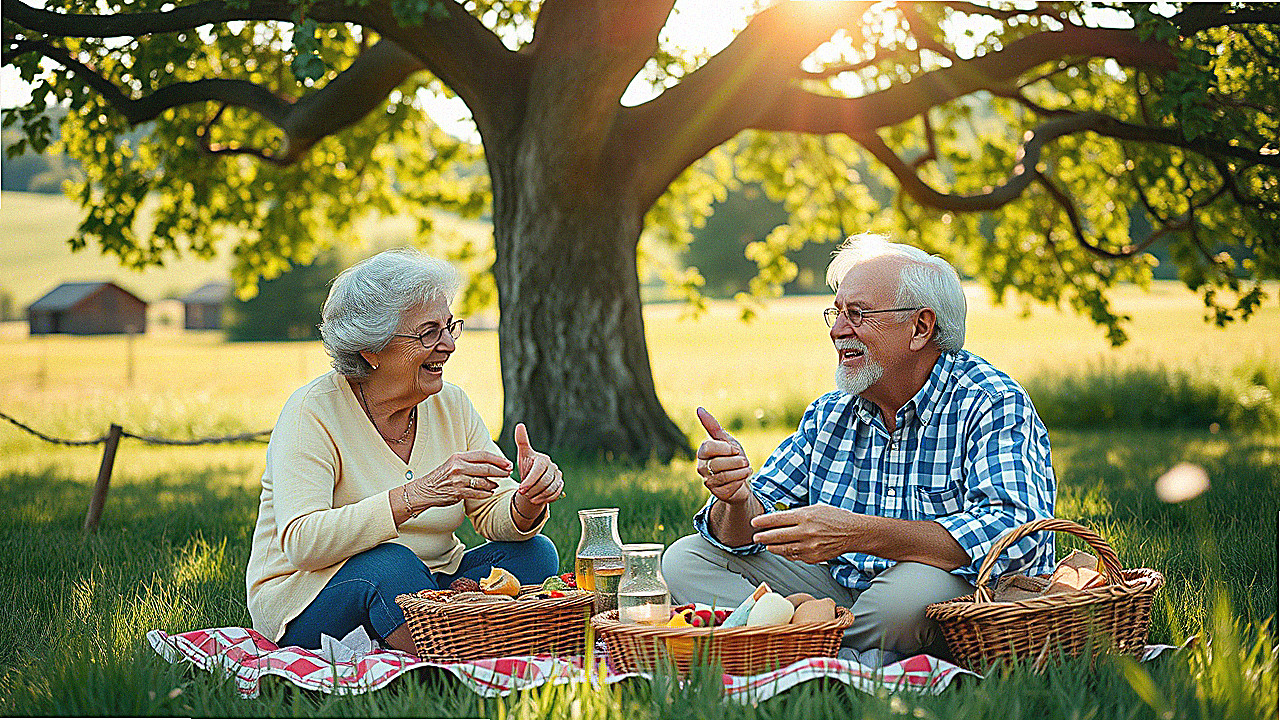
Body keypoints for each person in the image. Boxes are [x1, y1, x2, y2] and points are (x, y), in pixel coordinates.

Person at [662, 234, 1057, 661]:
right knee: (686, 558)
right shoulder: (831, 412)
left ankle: (793, 651)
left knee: (910, 597)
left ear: (920, 328)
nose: (836, 330)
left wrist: (855, 532)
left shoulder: (990, 401)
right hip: (840, 592)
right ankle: (837, 654)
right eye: (835, 312)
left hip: (943, 590)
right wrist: (737, 500)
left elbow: (1018, 535)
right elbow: (753, 532)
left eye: (858, 313)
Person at [246, 248, 564, 653]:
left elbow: (490, 508)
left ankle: (443, 643)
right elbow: (302, 541)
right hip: (315, 598)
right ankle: (454, 661)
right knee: (391, 564)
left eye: (450, 327)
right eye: (428, 332)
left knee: (535, 555)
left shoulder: (452, 404)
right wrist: (414, 497)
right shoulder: (313, 411)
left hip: (432, 588)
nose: (448, 344)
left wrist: (527, 501)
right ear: (371, 349)